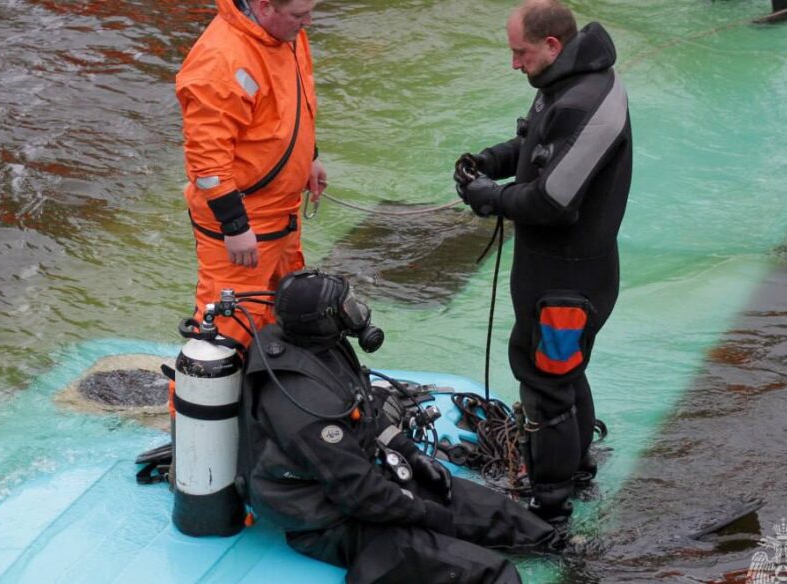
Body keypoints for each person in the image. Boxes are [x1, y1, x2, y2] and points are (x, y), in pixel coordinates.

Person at [237, 268, 558, 584]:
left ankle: (567, 553)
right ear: (323, 320)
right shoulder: (306, 409)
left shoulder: (324, 345)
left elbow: (365, 408)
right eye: (347, 307)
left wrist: (413, 457)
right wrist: (425, 513)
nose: (357, 312)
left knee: (513, 521)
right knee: (493, 573)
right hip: (328, 518)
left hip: (366, 475)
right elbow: (359, 495)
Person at [453, 0, 632, 525]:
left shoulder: (583, 102)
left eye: (520, 53)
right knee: (565, 376)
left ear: (552, 45)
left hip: (566, 285)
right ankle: (577, 473)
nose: (514, 64)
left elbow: (554, 200)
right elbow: (541, 145)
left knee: (547, 389)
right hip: (564, 275)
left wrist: (491, 197)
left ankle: (550, 508)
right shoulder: (569, 82)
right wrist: (494, 160)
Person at [176, 0, 326, 349]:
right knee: (226, 332)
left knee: (285, 316)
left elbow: (295, 100)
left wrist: (310, 158)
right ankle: (190, 405)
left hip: (281, 213)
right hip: (245, 220)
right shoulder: (220, 61)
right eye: (300, 15)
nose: (309, 22)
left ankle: (263, 398)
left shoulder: (286, 33)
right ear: (264, 7)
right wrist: (235, 225)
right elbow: (207, 160)